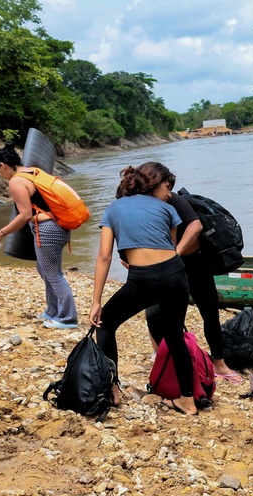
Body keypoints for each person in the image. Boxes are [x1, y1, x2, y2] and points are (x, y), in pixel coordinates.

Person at [90, 162, 199, 415]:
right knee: (174, 336)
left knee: (105, 323)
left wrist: (96, 301)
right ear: (153, 185)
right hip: (176, 274)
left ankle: (112, 390)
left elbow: (105, 256)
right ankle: (188, 400)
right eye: (167, 187)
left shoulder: (113, 208)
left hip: (142, 279)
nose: (169, 193)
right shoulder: (167, 209)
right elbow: (169, 248)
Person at [144, 191, 243, 384]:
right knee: (155, 313)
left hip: (194, 262)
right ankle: (162, 354)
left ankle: (219, 363)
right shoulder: (142, 206)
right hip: (164, 264)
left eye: (167, 186)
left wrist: (176, 253)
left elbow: (195, 227)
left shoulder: (175, 200)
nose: (166, 192)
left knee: (209, 311)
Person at [0, 143, 78, 329]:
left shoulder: (16, 182)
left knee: (53, 274)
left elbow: (25, 214)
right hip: (57, 226)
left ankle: (68, 318)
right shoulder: (33, 172)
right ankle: (53, 311)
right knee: (44, 270)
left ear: (3, 165)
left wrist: (0, 233)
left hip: (48, 229)